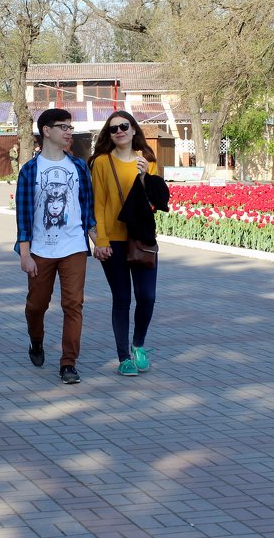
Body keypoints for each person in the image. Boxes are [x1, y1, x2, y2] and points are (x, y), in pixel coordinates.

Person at [15, 108, 97, 384]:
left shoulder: (79, 167)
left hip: (74, 247)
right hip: (40, 250)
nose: (68, 132)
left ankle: (68, 363)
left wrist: (98, 241)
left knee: (73, 304)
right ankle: (36, 340)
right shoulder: (30, 170)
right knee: (36, 306)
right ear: (46, 131)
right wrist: (24, 254)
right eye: (63, 127)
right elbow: (23, 215)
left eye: (70, 128)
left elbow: (87, 209)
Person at [90, 111, 169, 376]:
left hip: (141, 237)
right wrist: (100, 240)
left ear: (134, 130)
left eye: (124, 126)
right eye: (113, 129)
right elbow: (98, 204)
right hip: (113, 239)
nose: (119, 131)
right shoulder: (101, 162)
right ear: (108, 134)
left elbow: (159, 202)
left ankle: (139, 344)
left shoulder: (147, 160)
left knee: (148, 296)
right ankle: (123, 357)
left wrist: (147, 175)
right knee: (122, 298)